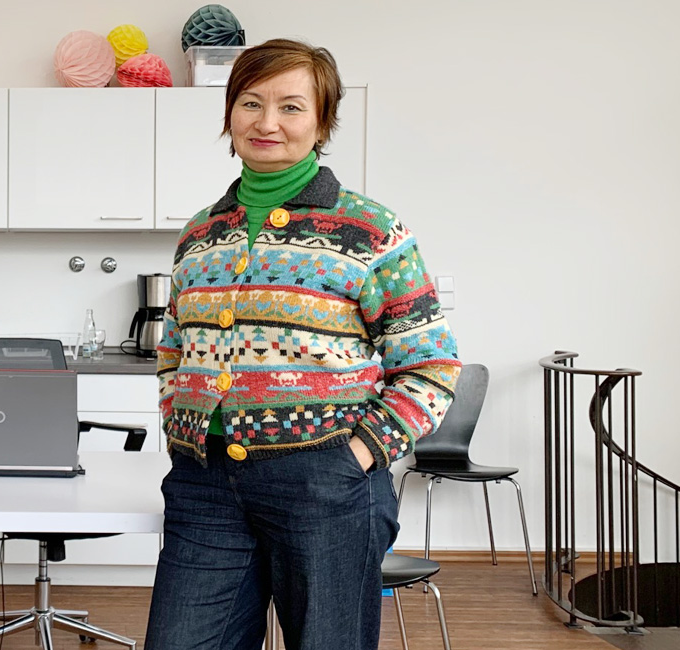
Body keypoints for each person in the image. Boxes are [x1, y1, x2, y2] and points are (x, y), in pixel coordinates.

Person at [145, 38, 462, 650]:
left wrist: (359, 455)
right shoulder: (200, 234)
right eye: (250, 103)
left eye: (291, 107)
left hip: (325, 480)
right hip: (205, 485)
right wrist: (177, 420)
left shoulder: (369, 228)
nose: (267, 123)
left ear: (322, 122)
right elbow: (173, 349)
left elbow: (430, 366)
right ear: (229, 115)